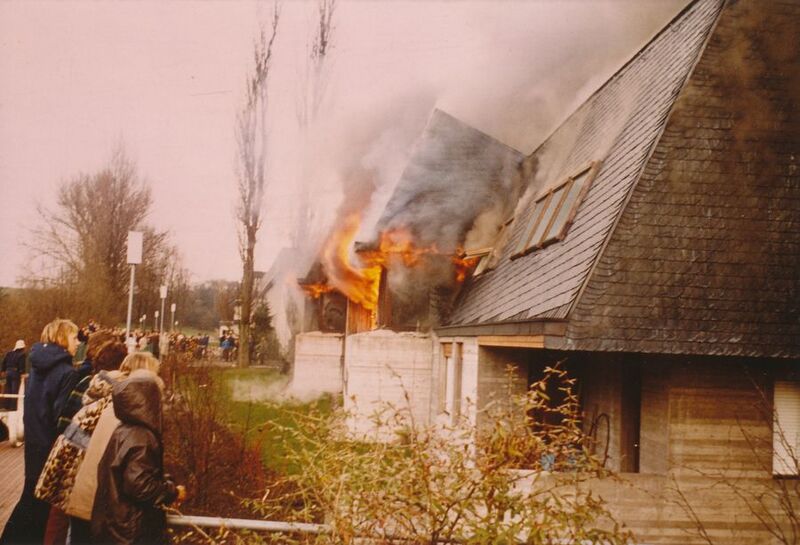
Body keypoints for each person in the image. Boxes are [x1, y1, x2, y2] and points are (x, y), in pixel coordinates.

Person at [34, 342, 137, 545]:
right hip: (87, 486)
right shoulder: (116, 402)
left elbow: (64, 427)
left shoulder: (89, 389)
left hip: (69, 477)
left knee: (61, 527)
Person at [0, 319, 79, 545]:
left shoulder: (36, 366)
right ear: (62, 339)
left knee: (30, 499)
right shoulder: (66, 372)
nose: (77, 343)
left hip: (34, 442)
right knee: (41, 507)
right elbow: (60, 414)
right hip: (50, 446)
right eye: (74, 338)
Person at [91, 358, 186, 545]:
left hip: (113, 526)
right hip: (131, 532)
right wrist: (172, 492)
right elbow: (139, 486)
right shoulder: (143, 437)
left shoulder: (123, 430)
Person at [1, 340, 26, 411]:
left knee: (7, 389)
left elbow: (4, 362)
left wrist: (3, 370)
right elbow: (21, 365)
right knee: (14, 390)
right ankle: (13, 407)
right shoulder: (22, 354)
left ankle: (6, 406)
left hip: (8, 372)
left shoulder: (9, 353)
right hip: (15, 373)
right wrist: (22, 372)